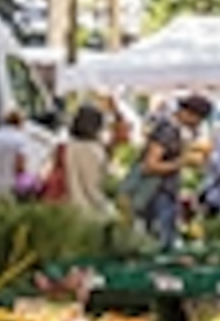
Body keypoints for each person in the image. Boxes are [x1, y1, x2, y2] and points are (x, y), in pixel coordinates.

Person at [127, 96, 205, 250]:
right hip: (158, 195)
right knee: (160, 242)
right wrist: (182, 162)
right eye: (198, 119)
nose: (198, 124)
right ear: (190, 114)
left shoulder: (172, 130)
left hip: (162, 194)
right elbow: (150, 165)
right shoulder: (167, 131)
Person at [53, 103, 113, 220]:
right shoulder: (93, 151)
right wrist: (108, 208)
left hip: (64, 207)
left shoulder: (66, 146)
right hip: (86, 213)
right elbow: (92, 188)